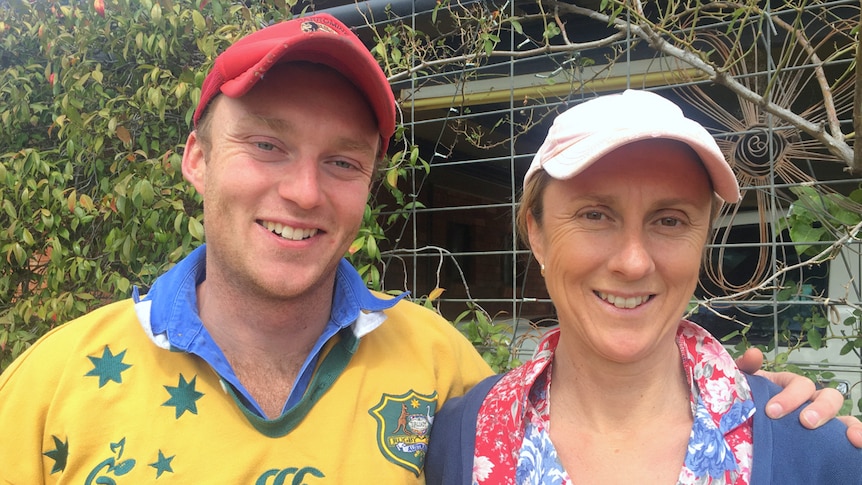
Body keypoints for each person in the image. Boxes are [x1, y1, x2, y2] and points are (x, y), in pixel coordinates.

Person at [0, 15, 854, 484]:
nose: (303, 190)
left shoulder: (441, 379)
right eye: (266, 145)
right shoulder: (48, 388)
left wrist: (801, 416)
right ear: (194, 158)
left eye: (341, 161)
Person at [425, 89, 862, 484]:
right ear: (536, 233)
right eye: (595, 215)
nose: (633, 263)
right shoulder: (453, 444)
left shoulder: (818, 452)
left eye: (669, 220)